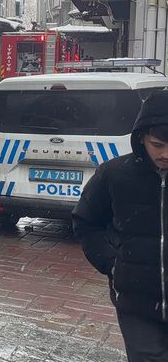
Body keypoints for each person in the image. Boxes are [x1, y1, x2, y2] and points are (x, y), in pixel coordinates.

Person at [72, 90, 168, 361]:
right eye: (157, 144)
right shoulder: (115, 175)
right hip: (136, 301)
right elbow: (86, 221)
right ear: (141, 138)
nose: (165, 154)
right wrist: (114, 264)